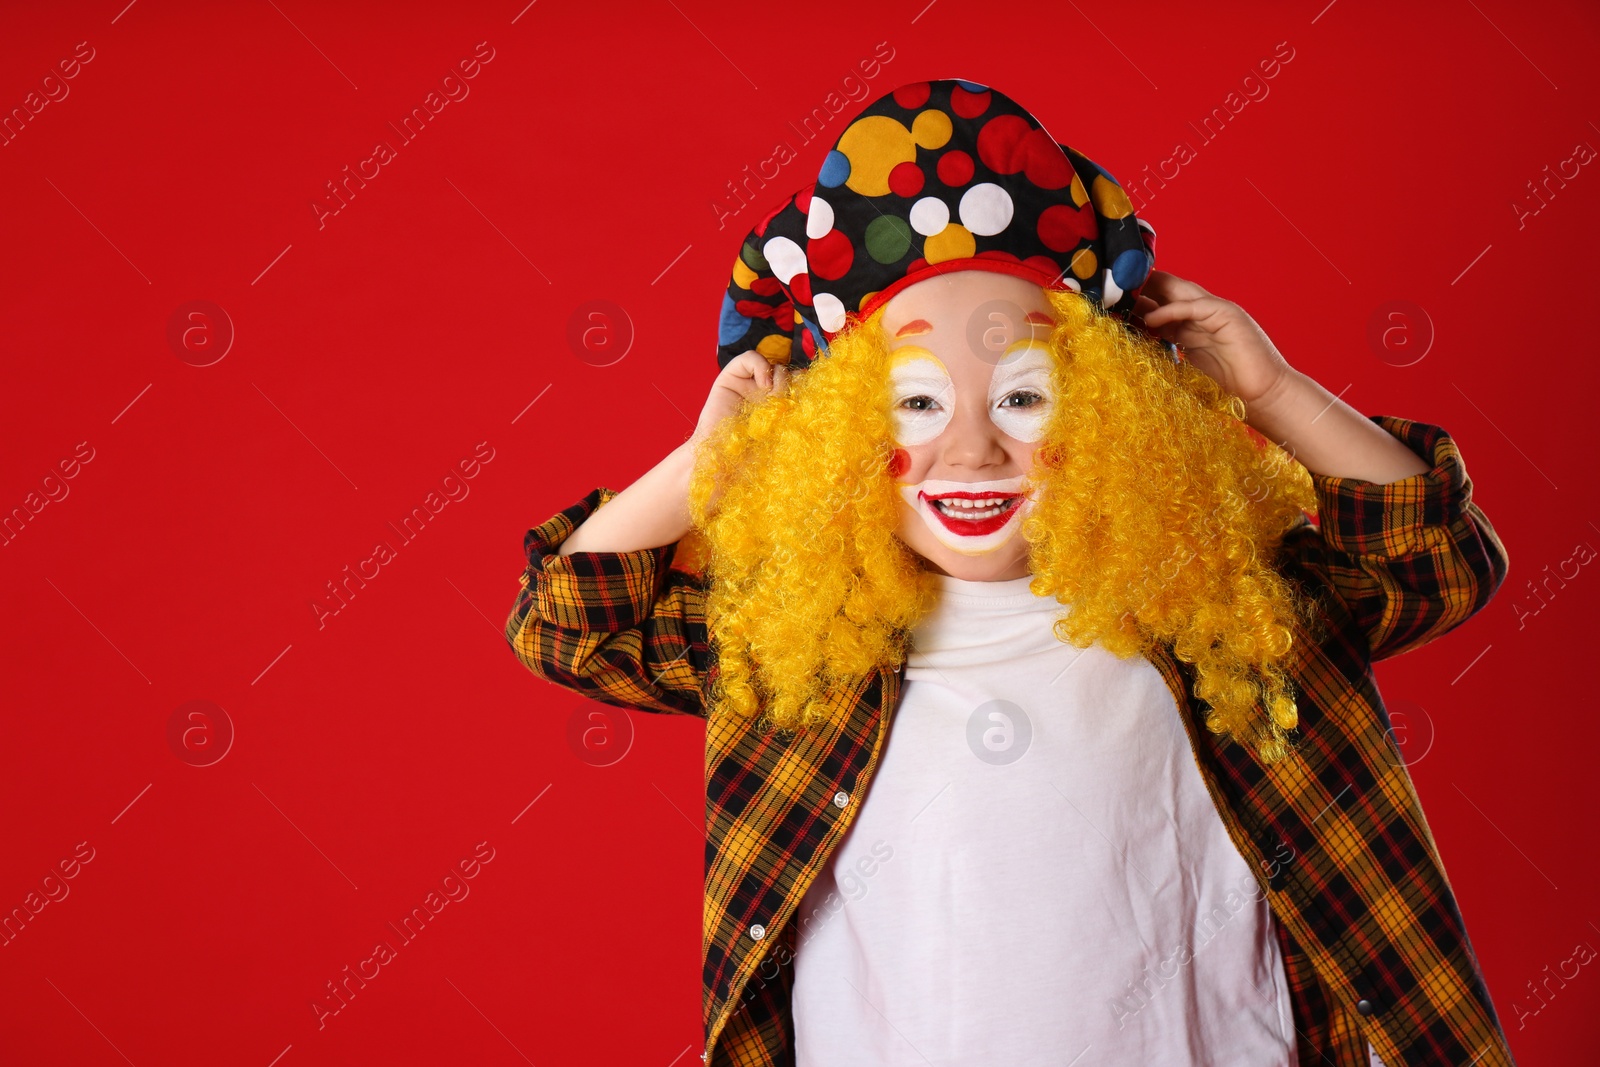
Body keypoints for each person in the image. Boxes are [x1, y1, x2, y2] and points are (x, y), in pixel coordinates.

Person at [504, 79, 1517, 1067]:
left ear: (1108, 405)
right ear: (841, 430)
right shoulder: (796, 643)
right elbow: (568, 624)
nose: (974, 450)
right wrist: (708, 464)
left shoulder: (1209, 602)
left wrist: (1270, 390)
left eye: (1025, 399)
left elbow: (1434, 558)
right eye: (914, 406)